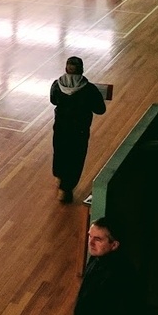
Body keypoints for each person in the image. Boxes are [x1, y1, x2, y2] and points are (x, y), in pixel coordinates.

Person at [50, 56, 107, 204]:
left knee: (60, 152)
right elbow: (100, 109)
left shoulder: (57, 85)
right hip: (79, 131)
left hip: (60, 127)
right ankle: (66, 189)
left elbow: (53, 100)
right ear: (82, 70)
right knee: (75, 158)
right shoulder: (89, 89)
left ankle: (59, 177)